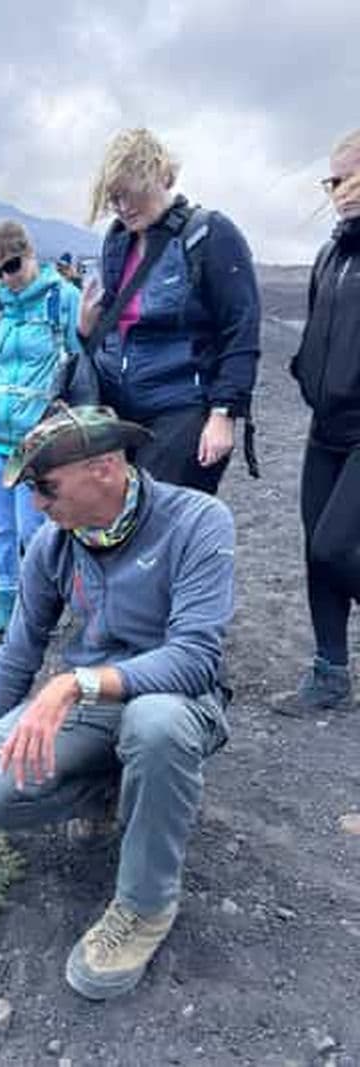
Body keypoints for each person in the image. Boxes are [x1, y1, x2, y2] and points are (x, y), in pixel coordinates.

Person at [0, 405, 234, 1000]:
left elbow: (194, 659)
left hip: (180, 701)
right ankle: (125, 791)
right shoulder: (54, 546)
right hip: (99, 704)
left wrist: (73, 684)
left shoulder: (197, 521)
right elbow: (16, 657)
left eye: (45, 487)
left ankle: (146, 904)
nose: (35, 504)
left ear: (105, 469)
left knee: (155, 727)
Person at [78, 127, 261, 495]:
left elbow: (240, 329)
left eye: (133, 194)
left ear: (164, 177)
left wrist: (223, 414)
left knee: (158, 524)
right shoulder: (117, 242)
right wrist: (85, 330)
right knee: (110, 527)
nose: (124, 207)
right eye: (115, 198)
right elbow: (113, 328)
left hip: (180, 407)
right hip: (115, 410)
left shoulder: (209, 234)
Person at [0, 219, 97, 639]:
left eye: (12, 266)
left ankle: (43, 604)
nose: (6, 278)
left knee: (39, 526)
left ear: (31, 255)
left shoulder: (64, 300)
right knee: (2, 526)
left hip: (39, 440)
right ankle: (6, 599)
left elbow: (80, 362)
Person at [282, 129, 360, 714]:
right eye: (334, 179)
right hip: (324, 426)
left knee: (336, 547)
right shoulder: (331, 253)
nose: (341, 190)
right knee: (316, 548)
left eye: (353, 176)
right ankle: (330, 672)